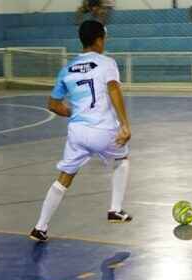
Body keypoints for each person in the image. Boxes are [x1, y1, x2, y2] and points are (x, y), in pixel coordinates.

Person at [30, 20, 133, 242]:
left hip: (77, 132)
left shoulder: (66, 69)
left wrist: (72, 112)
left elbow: (53, 105)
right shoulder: (106, 63)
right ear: (99, 40)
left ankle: (40, 227)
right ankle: (115, 209)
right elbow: (113, 88)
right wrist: (124, 124)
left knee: (64, 177)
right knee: (122, 158)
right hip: (102, 130)